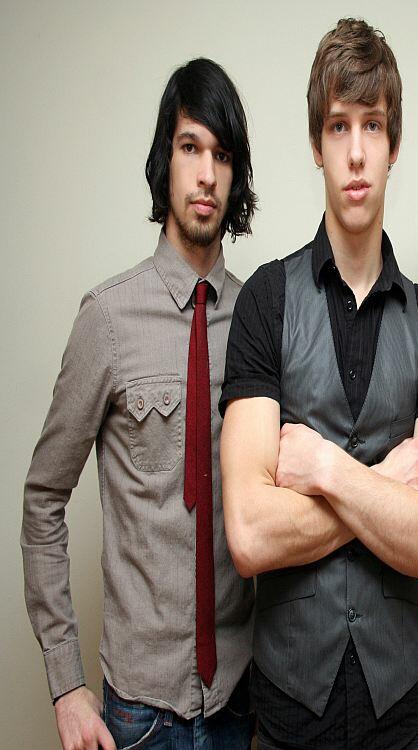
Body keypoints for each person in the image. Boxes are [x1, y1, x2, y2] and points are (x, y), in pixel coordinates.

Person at [220, 17, 418, 750]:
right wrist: (388, 484)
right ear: (316, 143)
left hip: (399, 719)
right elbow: (249, 534)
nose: (356, 152)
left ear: (394, 145)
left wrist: (326, 469)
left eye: (373, 126)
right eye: (338, 126)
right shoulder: (265, 302)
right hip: (289, 715)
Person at [21, 58, 257, 750]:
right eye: (190, 148)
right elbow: (43, 499)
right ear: (165, 160)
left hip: (243, 700)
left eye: (222, 155)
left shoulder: (260, 320)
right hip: (140, 716)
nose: (206, 174)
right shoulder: (107, 319)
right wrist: (66, 684)